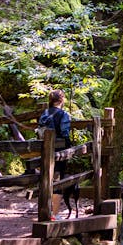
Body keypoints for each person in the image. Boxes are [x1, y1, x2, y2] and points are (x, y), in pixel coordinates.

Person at [38, 89, 73, 220]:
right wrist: (70, 147)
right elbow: (64, 133)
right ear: (62, 100)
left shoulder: (45, 113)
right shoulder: (63, 114)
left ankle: (45, 211)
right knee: (58, 180)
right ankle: (54, 214)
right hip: (59, 151)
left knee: (46, 179)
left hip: (45, 151)